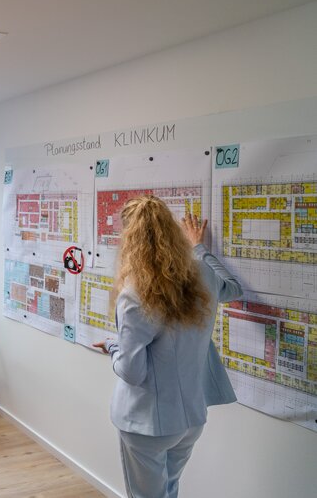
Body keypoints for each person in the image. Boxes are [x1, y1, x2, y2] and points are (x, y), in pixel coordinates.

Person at [93, 196, 241, 498]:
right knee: (170, 490)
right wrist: (199, 248)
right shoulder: (203, 274)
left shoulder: (135, 293)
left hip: (146, 424)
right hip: (190, 420)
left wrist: (112, 346)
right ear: (172, 231)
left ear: (129, 238)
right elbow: (233, 288)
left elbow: (132, 372)